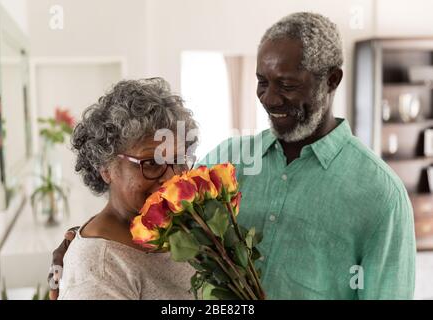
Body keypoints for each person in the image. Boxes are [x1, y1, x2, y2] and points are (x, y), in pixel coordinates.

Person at [50, 12, 416, 300]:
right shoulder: (226, 160)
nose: (270, 99)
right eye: (262, 81)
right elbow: (141, 202)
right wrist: (83, 248)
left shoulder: (381, 196)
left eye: (287, 85)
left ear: (332, 81)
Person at [55, 78, 198, 299]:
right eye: (151, 162)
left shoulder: (179, 225)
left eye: (179, 160)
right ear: (106, 167)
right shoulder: (100, 268)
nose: (171, 179)